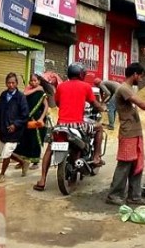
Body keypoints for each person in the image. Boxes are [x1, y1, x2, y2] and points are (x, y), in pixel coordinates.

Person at [106, 63, 145, 206]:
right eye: (140, 76)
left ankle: (134, 196)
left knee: (136, 164)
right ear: (135, 74)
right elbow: (142, 104)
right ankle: (114, 195)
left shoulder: (129, 89)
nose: (141, 79)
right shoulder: (123, 89)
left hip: (135, 132)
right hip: (128, 132)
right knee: (124, 164)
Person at [33, 62, 105, 191]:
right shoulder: (86, 86)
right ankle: (96, 156)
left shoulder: (61, 87)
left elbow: (58, 103)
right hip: (78, 124)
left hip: (61, 125)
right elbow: (94, 103)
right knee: (99, 127)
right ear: (81, 74)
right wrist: (102, 107)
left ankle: (42, 179)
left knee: (49, 148)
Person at [0, 72, 30, 183]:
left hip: (15, 131)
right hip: (4, 129)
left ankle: (2, 174)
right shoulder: (3, 95)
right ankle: (23, 162)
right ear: (6, 83)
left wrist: (16, 124)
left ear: (17, 83)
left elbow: (25, 114)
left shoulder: (21, 97)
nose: (11, 85)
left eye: (13, 83)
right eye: (9, 83)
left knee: (7, 152)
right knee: (5, 152)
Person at [14, 74, 50, 170]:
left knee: (35, 140)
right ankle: (23, 161)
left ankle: (35, 162)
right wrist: (36, 89)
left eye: (35, 81)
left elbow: (46, 107)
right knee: (24, 140)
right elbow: (24, 94)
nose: (33, 82)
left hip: (37, 119)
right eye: (31, 81)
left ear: (39, 81)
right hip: (27, 118)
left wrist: (41, 118)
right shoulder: (30, 90)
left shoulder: (42, 93)